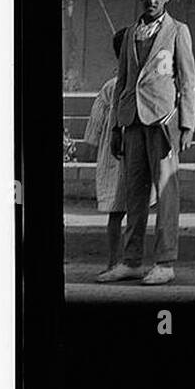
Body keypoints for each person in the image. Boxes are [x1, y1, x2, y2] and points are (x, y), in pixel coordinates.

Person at [98, 0, 195, 287]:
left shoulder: (177, 32)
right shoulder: (129, 35)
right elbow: (124, 82)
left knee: (166, 193)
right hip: (131, 122)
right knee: (134, 195)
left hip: (164, 122)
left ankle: (165, 261)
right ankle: (130, 260)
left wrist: (186, 124)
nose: (151, 0)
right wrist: (115, 127)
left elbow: (187, 80)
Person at [80, 27, 156, 277]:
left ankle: (119, 261)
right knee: (130, 211)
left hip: (122, 156)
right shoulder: (119, 87)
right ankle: (122, 260)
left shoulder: (113, 86)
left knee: (119, 213)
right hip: (119, 155)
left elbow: (93, 130)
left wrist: (91, 146)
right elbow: (98, 123)